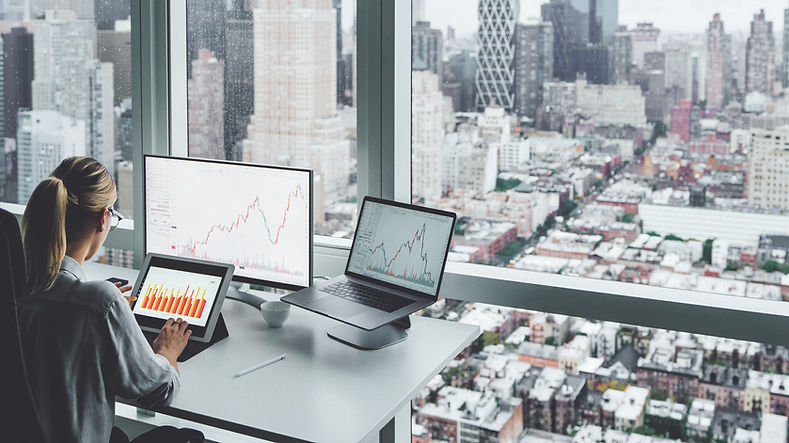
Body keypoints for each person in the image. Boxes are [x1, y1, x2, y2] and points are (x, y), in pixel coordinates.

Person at [17, 157, 203, 443]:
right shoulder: (101, 303)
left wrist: (103, 310)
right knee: (187, 437)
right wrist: (167, 352)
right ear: (103, 218)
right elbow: (159, 392)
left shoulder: (17, 287)